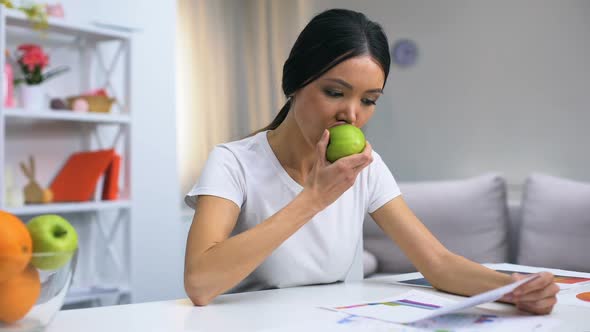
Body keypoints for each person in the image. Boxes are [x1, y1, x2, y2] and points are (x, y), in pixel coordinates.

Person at [183, 8, 559, 313]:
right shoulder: (233, 163)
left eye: (368, 100)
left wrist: (514, 289)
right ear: (295, 82)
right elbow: (200, 283)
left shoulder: (366, 166)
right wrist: (313, 199)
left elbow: (437, 263)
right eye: (335, 92)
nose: (351, 114)